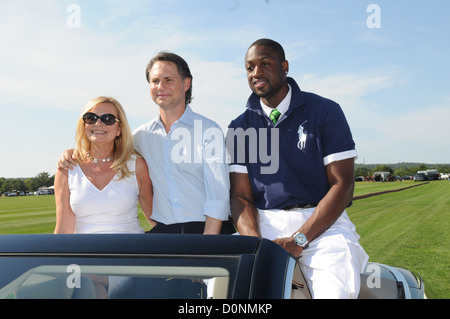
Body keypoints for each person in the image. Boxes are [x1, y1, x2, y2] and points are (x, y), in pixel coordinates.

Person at [227, 39, 369, 298]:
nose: (256, 72)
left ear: (284, 67)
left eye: (265, 64)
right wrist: (256, 244)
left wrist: (299, 240)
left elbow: (343, 186)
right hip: (263, 223)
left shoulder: (325, 111)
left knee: (335, 294)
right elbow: (240, 196)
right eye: (249, 68)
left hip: (323, 224)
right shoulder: (239, 126)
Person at [58, 52, 232, 235]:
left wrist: (207, 243)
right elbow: (106, 148)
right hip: (166, 234)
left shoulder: (208, 131)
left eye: (168, 80)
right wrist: (72, 153)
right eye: (155, 81)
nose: (161, 86)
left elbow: (218, 195)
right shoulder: (140, 137)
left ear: (186, 83)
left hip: (210, 231)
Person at [54, 96, 154, 234]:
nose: (98, 123)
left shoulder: (136, 165)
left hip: (130, 252)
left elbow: (154, 218)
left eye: (108, 119)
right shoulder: (67, 168)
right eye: (91, 118)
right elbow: (63, 229)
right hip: (86, 254)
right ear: (83, 125)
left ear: (119, 129)